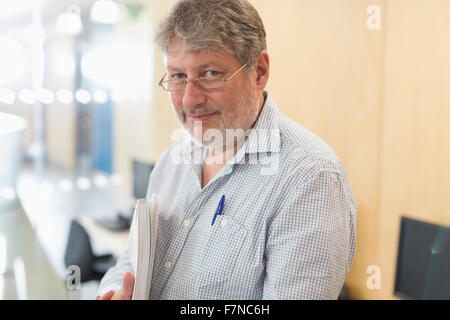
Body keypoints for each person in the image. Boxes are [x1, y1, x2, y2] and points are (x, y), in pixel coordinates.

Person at [96, 0, 356, 300]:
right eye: (178, 76)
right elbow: (131, 260)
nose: (190, 100)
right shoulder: (171, 162)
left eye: (209, 74)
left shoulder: (310, 179)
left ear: (259, 71)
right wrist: (115, 290)